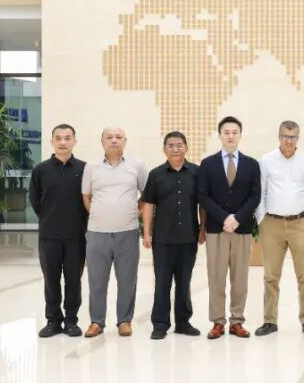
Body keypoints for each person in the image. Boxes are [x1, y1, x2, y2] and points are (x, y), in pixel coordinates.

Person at [198, 116, 262, 339]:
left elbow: (255, 196)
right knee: (216, 277)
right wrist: (224, 217)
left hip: (242, 229)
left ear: (240, 135)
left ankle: (237, 321)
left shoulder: (252, 164)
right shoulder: (208, 164)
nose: (231, 136)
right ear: (220, 135)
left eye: (235, 132)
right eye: (226, 132)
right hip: (217, 229)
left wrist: (238, 218)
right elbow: (203, 196)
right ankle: (217, 321)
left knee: (240, 278)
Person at [80, 126, 148, 338]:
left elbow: (147, 194)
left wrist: (134, 210)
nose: (114, 140)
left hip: (128, 232)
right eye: (109, 137)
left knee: (127, 280)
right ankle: (96, 322)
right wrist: (98, 213)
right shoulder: (91, 167)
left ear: (125, 141)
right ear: (102, 142)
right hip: (97, 233)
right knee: (96, 280)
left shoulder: (137, 165)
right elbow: (86, 197)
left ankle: (124, 321)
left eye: (118, 137)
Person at [254, 120, 304, 338]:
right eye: (285, 136)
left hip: (301, 223)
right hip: (272, 225)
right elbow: (261, 191)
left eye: (292, 137)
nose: (288, 141)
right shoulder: (266, 160)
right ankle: (269, 320)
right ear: (279, 137)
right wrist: (261, 219)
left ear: (298, 138)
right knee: (270, 276)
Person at [140, 131, 204, 340]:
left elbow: (202, 203)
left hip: (188, 237)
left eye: (179, 145)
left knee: (184, 282)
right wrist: (147, 232)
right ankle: (160, 324)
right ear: (164, 149)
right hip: (163, 239)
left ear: (186, 148)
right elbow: (148, 204)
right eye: (171, 145)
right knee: (162, 282)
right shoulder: (156, 174)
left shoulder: (197, 172)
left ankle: (183, 323)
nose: (175, 149)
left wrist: (203, 228)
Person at [29, 123, 88, 338]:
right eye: (58, 138)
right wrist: (49, 219)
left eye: (67, 138)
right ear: (52, 141)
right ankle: (53, 321)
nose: (63, 142)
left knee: (74, 280)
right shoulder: (41, 170)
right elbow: (35, 201)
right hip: (49, 236)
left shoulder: (84, 169)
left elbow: (89, 200)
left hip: (76, 236)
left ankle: (71, 320)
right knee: (51, 280)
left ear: (74, 141)